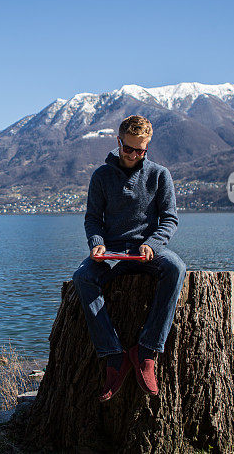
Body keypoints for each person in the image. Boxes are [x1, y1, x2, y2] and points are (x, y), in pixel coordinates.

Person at [72, 114, 186, 402]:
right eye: (128, 149)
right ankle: (114, 356)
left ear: (147, 146)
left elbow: (170, 219)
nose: (134, 155)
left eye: (141, 150)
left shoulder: (160, 175)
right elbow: (93, 219)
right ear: (118, 142)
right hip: (112, 252)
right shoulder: (101, 176)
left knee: (176, 267)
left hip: (147, 250)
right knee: (83, 277)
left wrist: (153, 244)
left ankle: (146, 351)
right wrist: (97, 244)